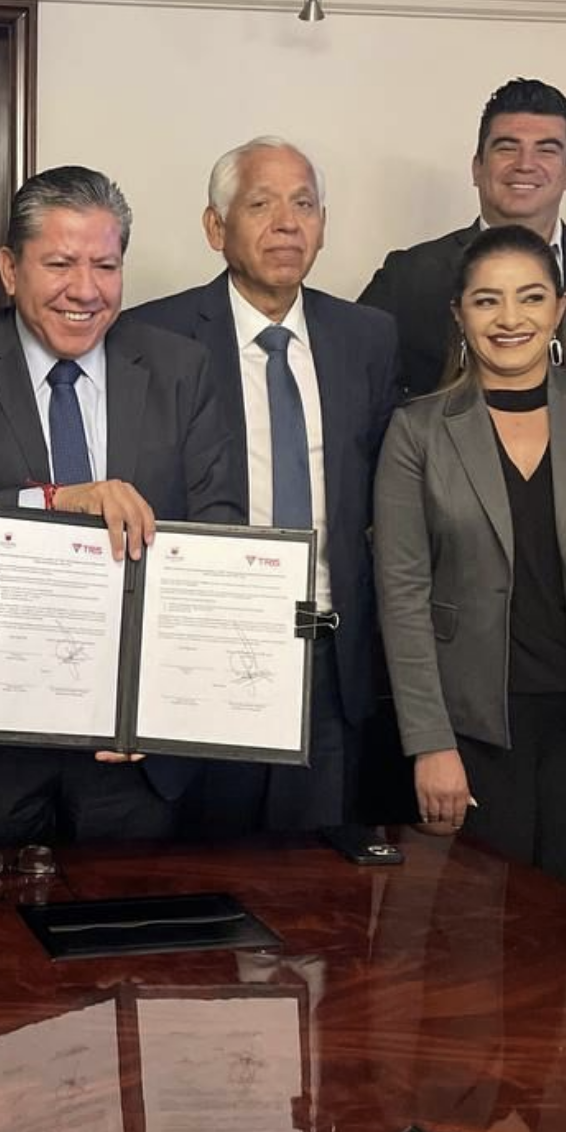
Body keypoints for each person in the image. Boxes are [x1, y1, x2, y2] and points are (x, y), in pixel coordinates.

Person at [0, 164, 240, 848]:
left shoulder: (179, 368)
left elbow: (218, 531)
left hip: (129, 740)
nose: (85, 290)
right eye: (59, 264)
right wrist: (49, 502)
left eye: (105, 266)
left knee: (130, 913)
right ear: (9, 270)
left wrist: (164, 699)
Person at [374, 225, 566, 919]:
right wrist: (430, 743)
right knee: (477, 949)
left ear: (560, 308)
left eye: (531, 297)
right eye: (487, 300)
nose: (509, 318)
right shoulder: (418, 430)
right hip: (475, 733)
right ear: (459, 314)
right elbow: (402, 597)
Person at [126, 137, 397, 833]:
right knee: (207, 867)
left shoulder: (367, 337)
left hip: (328, 655)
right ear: (215, 227)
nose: (286, 224)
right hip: (204, 652)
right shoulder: (155, 336)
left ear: (323, 225)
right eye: (261, 205)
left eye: (304, 205)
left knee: (315, 874)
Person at [359, 77, 566, 401]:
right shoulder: (408, 276)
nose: (525, 164)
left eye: (546, 150)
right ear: (477, 167)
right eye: (507, 148)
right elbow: (355, 385)